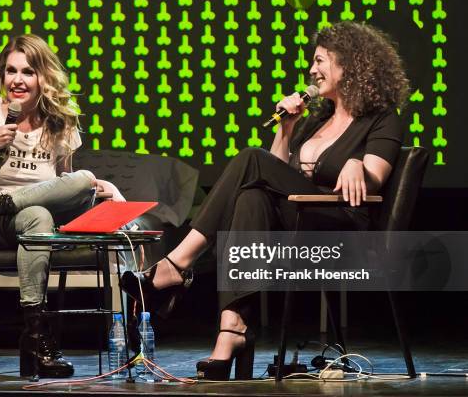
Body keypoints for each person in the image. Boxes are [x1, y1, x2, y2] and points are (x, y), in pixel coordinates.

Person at [121, 21, 410, 380]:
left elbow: (374, 178)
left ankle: (176, 264)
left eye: (320, 61)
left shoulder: (380, 120)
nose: (311, 70)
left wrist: (357, 164)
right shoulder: (315, 119)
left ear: (348, 64)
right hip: (297, 221)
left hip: (340, 227)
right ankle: (232, 329)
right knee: (251, 198)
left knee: (250, 159)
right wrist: (286, 128)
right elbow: (271, 173)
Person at [0, 34, 126, 378]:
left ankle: (35, 339)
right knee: (41, 213)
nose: (17, 81)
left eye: (27, 72)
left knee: (71, 188)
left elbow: (62, 187)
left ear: (43, 78)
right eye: (11, 71)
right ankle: (39, 339)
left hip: (23, 219)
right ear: (2, 75)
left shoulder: (61, 121)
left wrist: (101, 188)